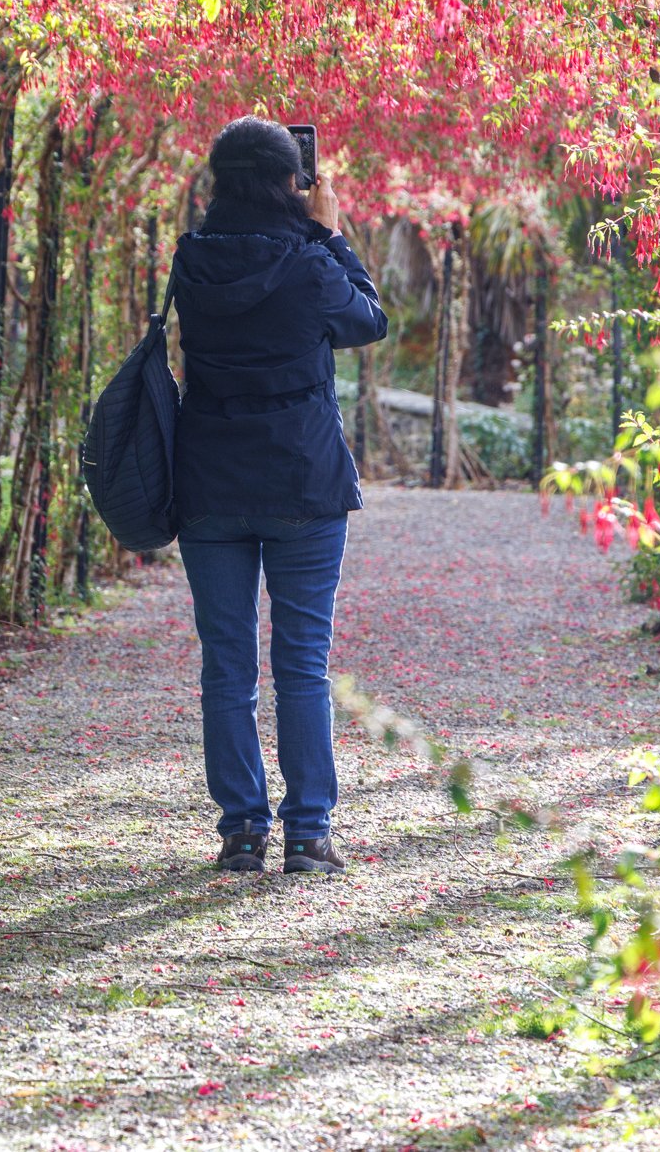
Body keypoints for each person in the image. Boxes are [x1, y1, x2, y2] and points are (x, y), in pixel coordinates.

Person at [170, 116, 388, 875]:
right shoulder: (309, 262)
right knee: (302, 662)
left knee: (226, 664)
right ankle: (307, 833)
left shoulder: (191, 260)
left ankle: (239, 830)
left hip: (209, 483)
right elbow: (368, 321)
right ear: (290, 182)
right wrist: (329, 233)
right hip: (302, 481)